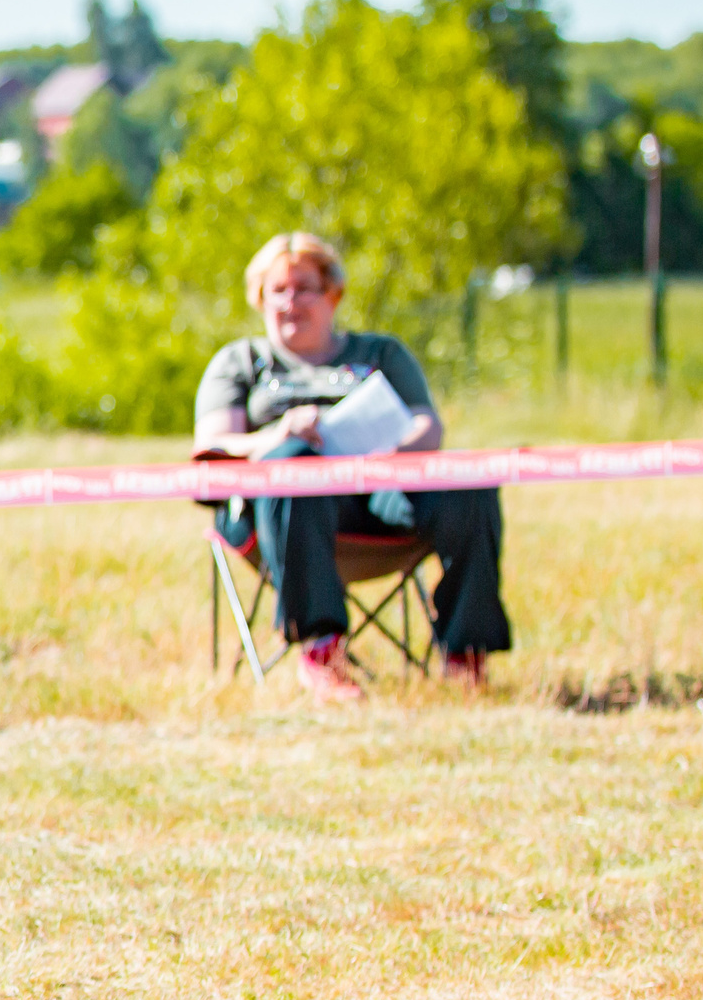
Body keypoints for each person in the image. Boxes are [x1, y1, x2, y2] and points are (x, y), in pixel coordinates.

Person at [195, 231, 510, 697]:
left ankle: (466, 654)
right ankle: (322, 651)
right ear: (259, 298)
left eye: (305, 288)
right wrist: (278, 435)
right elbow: (213, 447)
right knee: (297, 464)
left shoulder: (379, 353)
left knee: (468, 480)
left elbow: (427, 425)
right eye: (277, 291)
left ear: (333, 295)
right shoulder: (242, 362)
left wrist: (389, 454)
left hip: (381, 495)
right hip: (280, 512)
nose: (290, 301)